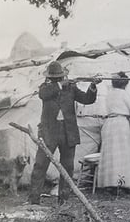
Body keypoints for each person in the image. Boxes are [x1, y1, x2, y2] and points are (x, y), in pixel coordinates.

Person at [29, 61, 101, 204]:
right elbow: (44, 94)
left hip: (68, 132)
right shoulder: (45, 88)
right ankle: (33, 201)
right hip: (49, 132)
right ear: (50, 78)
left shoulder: (71, 88)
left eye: (59, 77)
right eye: (55, 78)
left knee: (67, 167)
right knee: (40, 165)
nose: (57, 79)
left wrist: (92, 86)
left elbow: (87, 99)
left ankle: (64, 201)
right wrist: (60, 85)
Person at [97, 71, 130, 190]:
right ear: (125, 84)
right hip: (121, 124)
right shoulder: (124, 94)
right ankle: (126, 184)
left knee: (112, 154)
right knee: (124, 153)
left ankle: (112, 183)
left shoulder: (109, 94)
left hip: (109, 124)